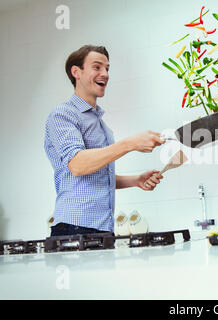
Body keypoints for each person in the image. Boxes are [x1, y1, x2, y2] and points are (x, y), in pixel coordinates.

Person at [44, 45, 165, 236]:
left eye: (107, 68)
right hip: (74, 228)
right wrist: (130, 144)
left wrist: (136, 180)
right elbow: (77, 165)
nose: (105, 73)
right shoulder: (63, 114)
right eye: (97, 67)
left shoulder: (101, 125)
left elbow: (95, 176)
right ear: (76, 72)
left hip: (103, 228)